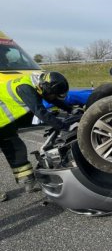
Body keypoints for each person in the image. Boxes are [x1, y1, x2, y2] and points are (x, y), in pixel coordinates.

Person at [0, 71, 71, 202]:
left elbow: (52, 98)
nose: (51, 97)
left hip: (4, 124)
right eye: (51, 93)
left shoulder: (39, 85)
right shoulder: (25, 88)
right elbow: (40, 112)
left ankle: (28, 182)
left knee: (17, 149)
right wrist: (64, 126)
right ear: (44, 88)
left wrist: (70, 110)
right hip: (2, 122)